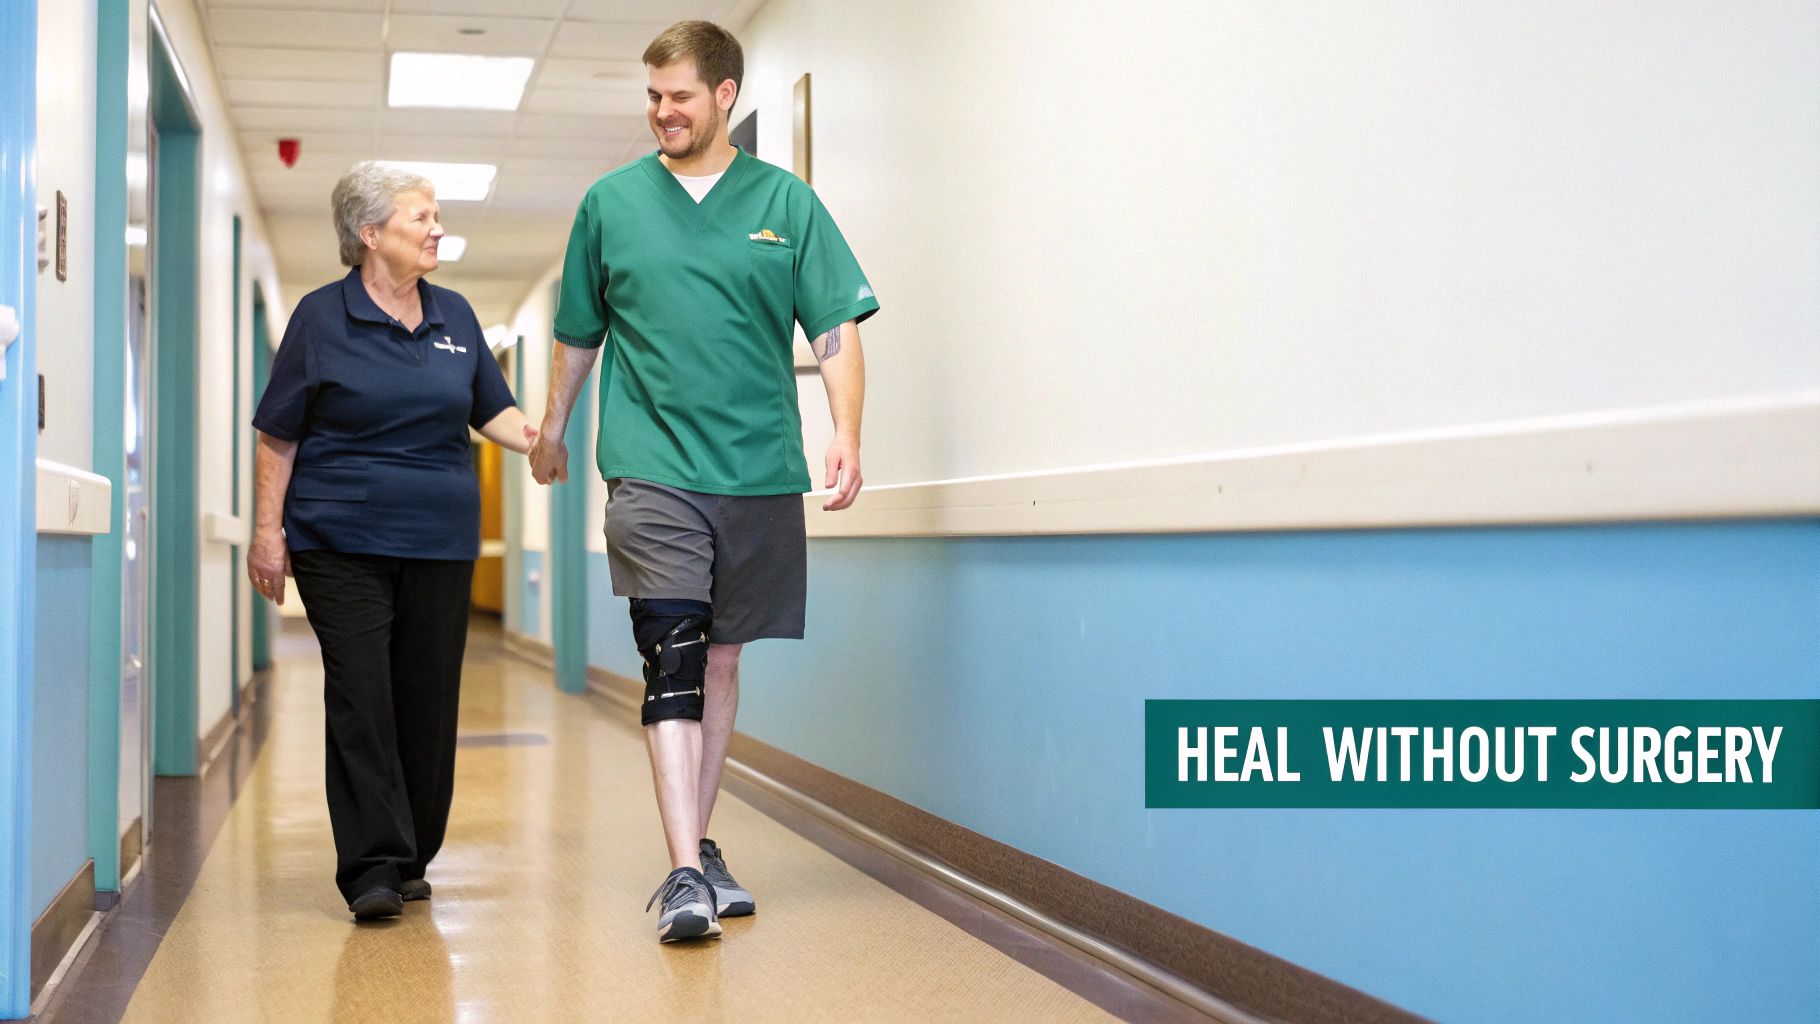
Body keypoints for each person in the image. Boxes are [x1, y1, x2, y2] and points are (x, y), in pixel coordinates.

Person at [529, 20, 879, 943]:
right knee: (674, 653)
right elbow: (578, 333)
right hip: (651, 467)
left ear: (724, 96)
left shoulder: (785, 203)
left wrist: (845, 431)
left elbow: (836, 329)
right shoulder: (610, 204)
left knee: (722, 658)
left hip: (760, 468)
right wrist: (556, 430)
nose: (662, 112)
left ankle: (701, 842)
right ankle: (684, 870)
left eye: (679, 95)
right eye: (652, 96)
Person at [248, 162, 536, 921]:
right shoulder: (320, 318)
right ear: (369, 234)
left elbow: (494, 412)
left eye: (436, 215)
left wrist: (544, 439)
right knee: (361, 696)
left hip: (440, 541)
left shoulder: (457, 317)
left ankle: (412, 855)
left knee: (426, 700)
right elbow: (277, 434)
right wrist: (265, 535)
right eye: (421, 217)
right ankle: (371, 865)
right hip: (338, 539)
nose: (437, 228)